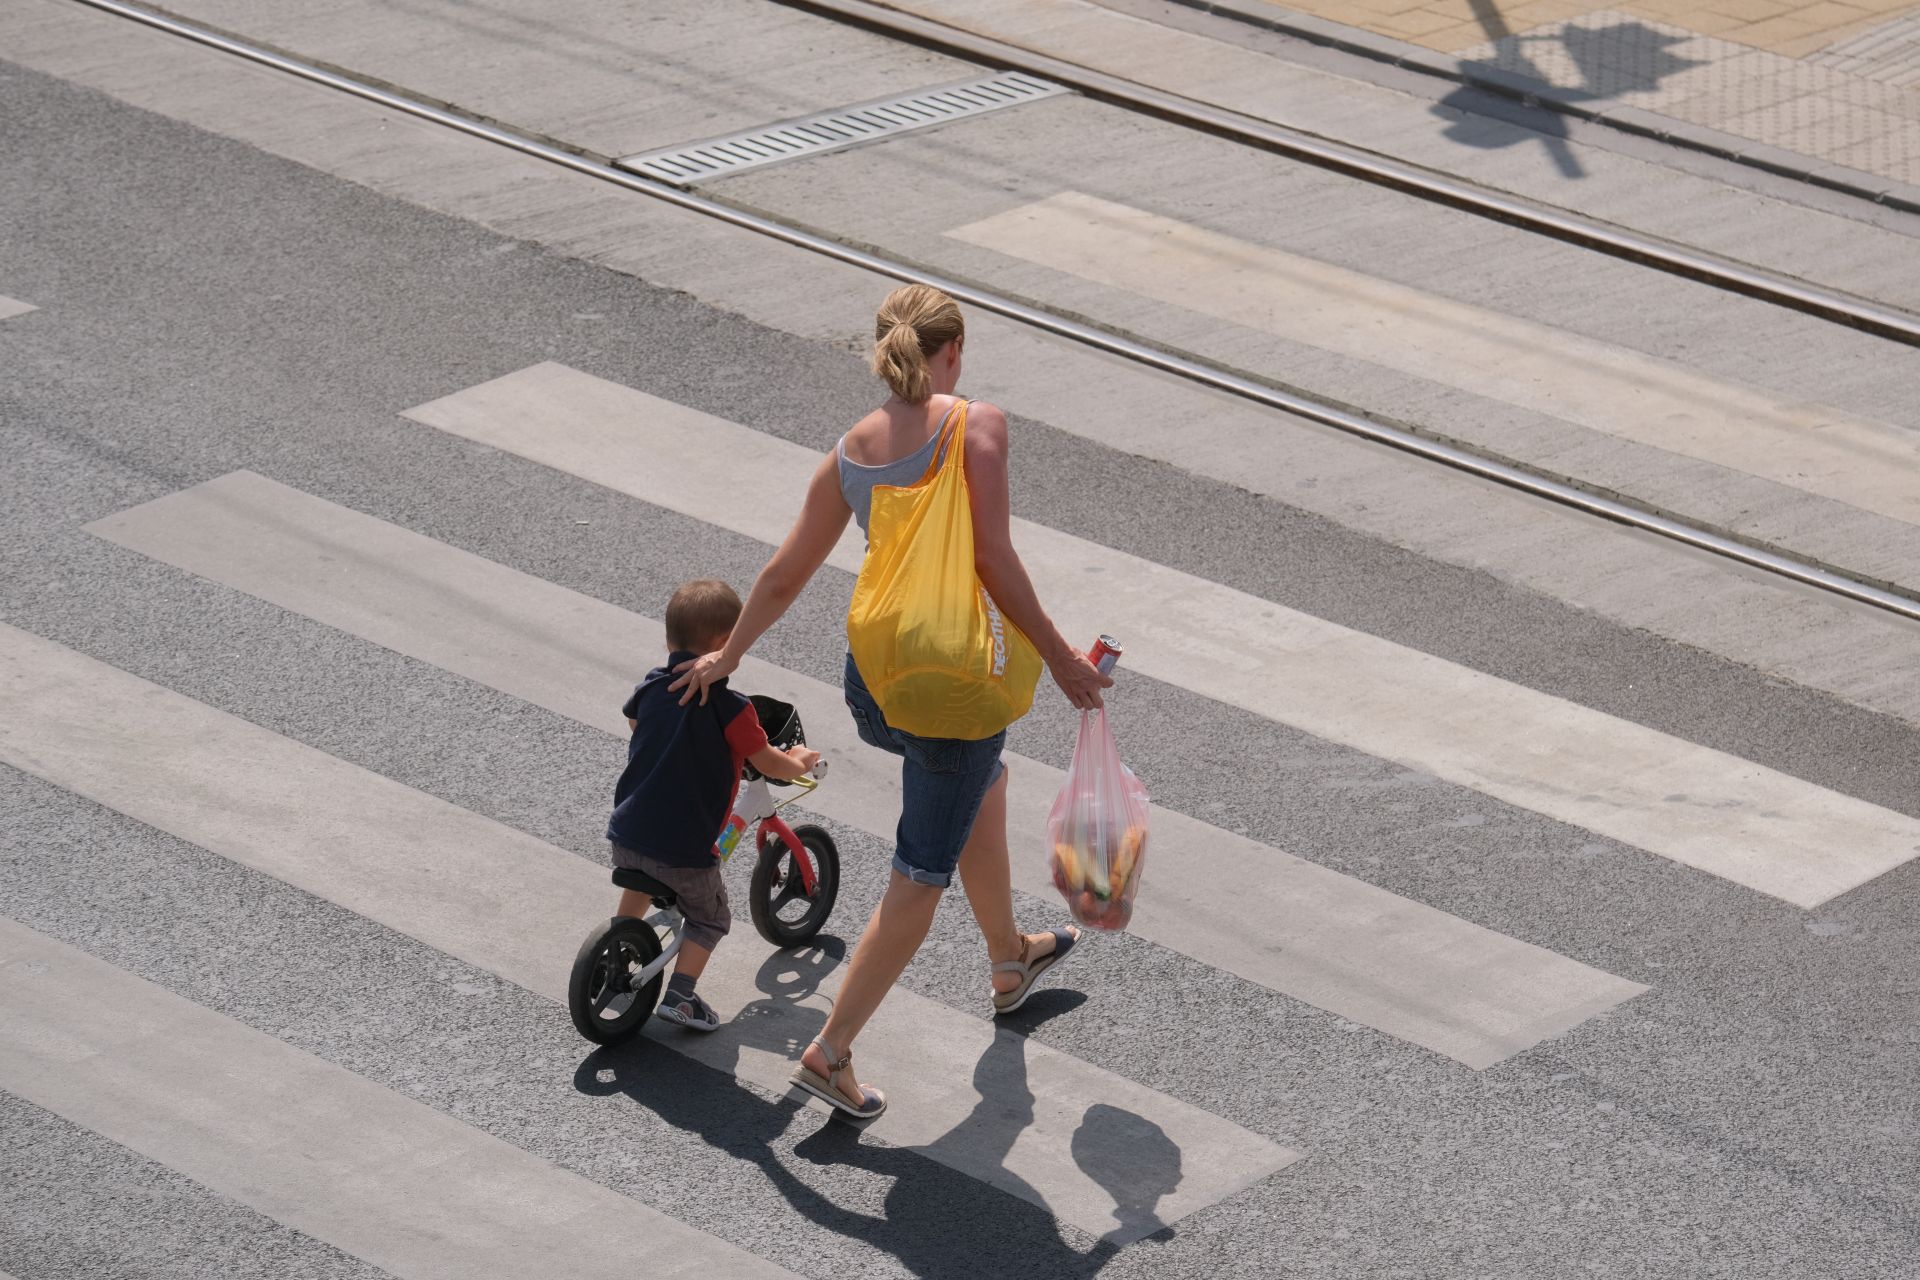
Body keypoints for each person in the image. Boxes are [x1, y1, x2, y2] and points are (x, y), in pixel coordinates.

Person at [671, 283, 1112, 1118]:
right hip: (952, 691)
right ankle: (829, 1052)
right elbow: (991, 558)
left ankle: (1010, 957)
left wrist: (729, 655)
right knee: (918, 873)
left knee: (985, 783)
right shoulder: (977, 423)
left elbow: (785, 572)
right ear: (953, 352)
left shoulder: (853, 450)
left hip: (874, 685)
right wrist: (1059, 659)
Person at [607, 579, 821, 1031]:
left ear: (669, 640)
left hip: (626, 833)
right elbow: (772, 764)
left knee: (647, 876)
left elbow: (633, 718)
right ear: (726, 645)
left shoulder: (652, 687)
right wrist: (800, 759)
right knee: (710, 917)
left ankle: (616, 946)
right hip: (683, 852)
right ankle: (681, 997)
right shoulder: (733, 708)